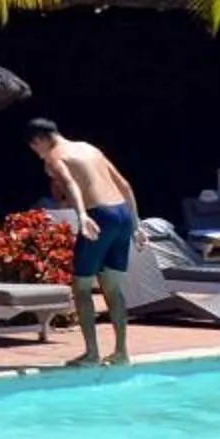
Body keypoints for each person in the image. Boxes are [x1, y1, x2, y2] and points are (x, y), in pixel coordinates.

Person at [27, 117, 137, 367]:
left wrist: (82, 215)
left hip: (100, 215)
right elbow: (124, 185)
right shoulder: (89, 148)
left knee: (81, 286)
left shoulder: (54, 156)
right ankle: (121, 353)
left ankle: (91, 354)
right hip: (122, 213)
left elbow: (70, 183)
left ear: (39, 140)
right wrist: (137, 224)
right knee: (112, 287)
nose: (37, 154)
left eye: (34, 148)